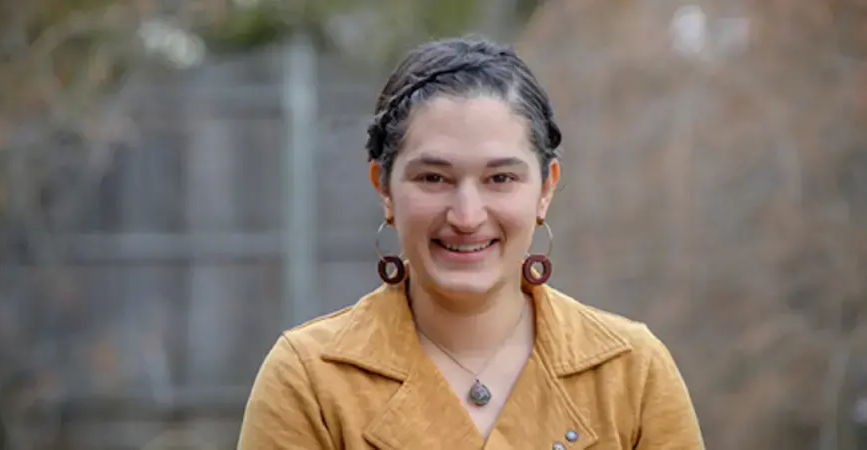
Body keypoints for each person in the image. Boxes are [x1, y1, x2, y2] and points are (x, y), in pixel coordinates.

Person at [238, 36, 704, 449]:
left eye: (500, 178)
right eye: (434, 177)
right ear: (384, 188)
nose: (466, 216)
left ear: (545, 189)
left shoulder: (630, 372)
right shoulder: (310, 379)